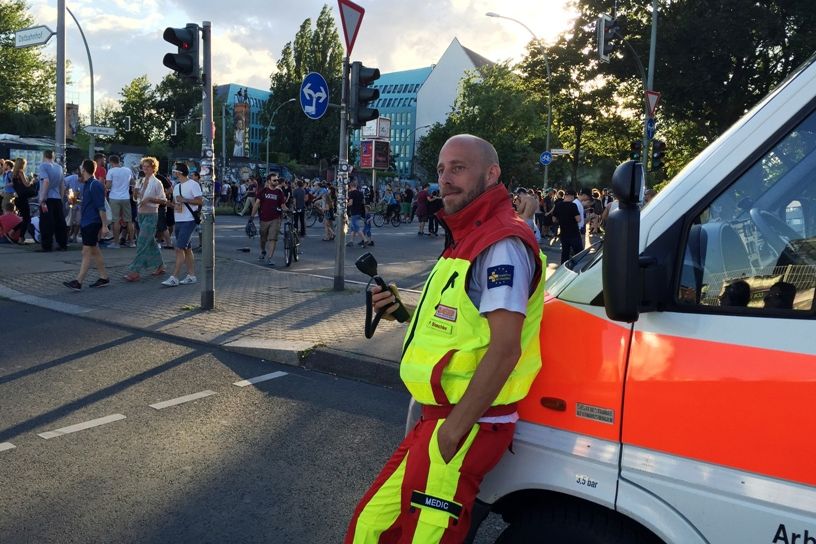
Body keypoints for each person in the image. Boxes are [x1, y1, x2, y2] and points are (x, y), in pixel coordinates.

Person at [345, 134, 546, 544]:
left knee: (425, 537)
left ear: (491, 174)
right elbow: (454, 326)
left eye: (458, 168)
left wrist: (452, 432)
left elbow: (505, 348)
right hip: (437, 420)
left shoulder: (501, 243)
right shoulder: (467, 235)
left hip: (466, 423)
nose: (445, 179)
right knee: (370, 528)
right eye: (441, 170)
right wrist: (398, 311)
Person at [63, 159, 110, 290]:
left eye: (81, 167)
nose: (79, 169)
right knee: (94, 250)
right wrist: (76, 201)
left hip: (92, 222)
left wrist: (104, 225)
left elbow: (101, 207)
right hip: (87, 221)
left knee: (86, 251)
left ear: (84, 169)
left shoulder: (94, 185)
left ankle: (78, 281)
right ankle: (104, 277)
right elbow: (90, 203)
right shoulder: (88, 184)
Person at [124, 157, 166, 282]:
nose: (145, 169)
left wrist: (150, 199)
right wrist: (135, 193)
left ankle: (135, 271)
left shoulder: (157, 182)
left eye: (148, 167)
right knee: (150, 242)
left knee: (142, 242)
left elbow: (163, 200)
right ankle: (160, 265)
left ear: (153, 168)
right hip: (141, 214)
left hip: (151, 215)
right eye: (144, 167)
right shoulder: (140, 181)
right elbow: (135, 198)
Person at [162, 163, 202, 286]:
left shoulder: (193, 184)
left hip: (189, 219)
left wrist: (185, 200)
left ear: (179, 172)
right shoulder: (177, 186)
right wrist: (171, 205)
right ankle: (191, 275)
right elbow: (177, 203)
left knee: (179, 248)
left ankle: (174, 277)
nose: (173, 174)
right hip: (178, 219)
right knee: (187, 248)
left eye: (174, 171)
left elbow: (200, 201)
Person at [250, 172, 287, 266]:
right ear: (269, 181)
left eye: (277, 180)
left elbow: (282, 204)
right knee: (263, 239)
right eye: (274, 180)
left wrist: (287, 210)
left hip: (275, 218)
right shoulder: (263, 191)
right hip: (264, 219)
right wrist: (252, 217)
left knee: (273, 239)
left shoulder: (279, 192)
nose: (276, 181)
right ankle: (263, 251)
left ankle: (270, 258)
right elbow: (257, 204)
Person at [37, 149, 68, 252]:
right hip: (57, 198)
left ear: (44, 155)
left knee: (46, 222)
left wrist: (42, 197)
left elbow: (45, 181)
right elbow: (62, 184)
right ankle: (62, 243)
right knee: (60, 221)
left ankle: (47, 245)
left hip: (47, 198)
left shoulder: (43, 166)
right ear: (53, 156)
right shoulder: (59, 167)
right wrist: (61, 197)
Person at [106, 155, 135, 248]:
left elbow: (108, 186)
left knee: (116, 221)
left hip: (114, 197)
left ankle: (116, 243)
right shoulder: (127, 170)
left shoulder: (111, 171)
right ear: (119, 161)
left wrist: (103, 185)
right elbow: (132, 182)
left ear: (111, 162)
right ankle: (132, 242)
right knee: (129, 220)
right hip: (126, 197)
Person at [552, 189, 583, 263]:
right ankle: (579, 268)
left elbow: (554, 219)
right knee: (579, 253)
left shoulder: (558, 205)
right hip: (574, 233)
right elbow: (578, 219)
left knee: (565, 253)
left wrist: (561, 220)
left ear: (565, 196)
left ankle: (563, 269)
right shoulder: (573, 205)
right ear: (572, 196)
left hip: (563, 233)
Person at [10, 158, 34, 242]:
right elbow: (27, 185)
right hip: (23, 198)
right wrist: (32, 180)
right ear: (22, 164)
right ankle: (20, 237)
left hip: (18, 198)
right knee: (26, 219)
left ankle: (13, 231)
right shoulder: (20, 172)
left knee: (25, 218)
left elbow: (14, 185)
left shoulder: (13, 174)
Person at [346, 180, 369, 247]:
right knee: (353, 227)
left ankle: (365, 240)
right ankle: (351, 241)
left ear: (350, 186)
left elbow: (350, 203)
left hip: (354, 211)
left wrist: (344, 204)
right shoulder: (361, 193)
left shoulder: (352, 193)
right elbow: (363, 202)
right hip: (360, 211)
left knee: (356, 227)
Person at [63, 166, 83, 243]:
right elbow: (63, 184)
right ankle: (67, 236)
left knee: (78, 221)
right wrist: (67, 194)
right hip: (71, 202)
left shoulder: (86, 181)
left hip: (80, 202)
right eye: (80, 179)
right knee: (70, 220)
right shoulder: (71, 178)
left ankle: (74, 236)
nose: (81, 181)